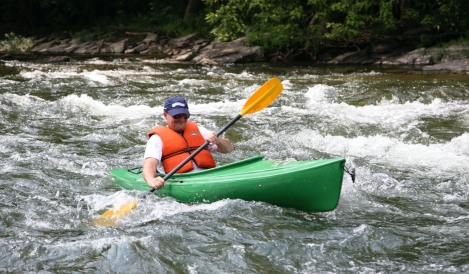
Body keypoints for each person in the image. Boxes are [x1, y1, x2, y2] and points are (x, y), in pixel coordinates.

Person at [143, 96, 233, 190]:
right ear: (165, 115)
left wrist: (218, 140)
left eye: (185, 116)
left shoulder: (198, 131)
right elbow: (150, 166)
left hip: (208, 175)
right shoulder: (157, 139)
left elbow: (228, 150)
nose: (181, 119)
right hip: (182, 181)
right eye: (176, 116)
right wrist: (151, 180)